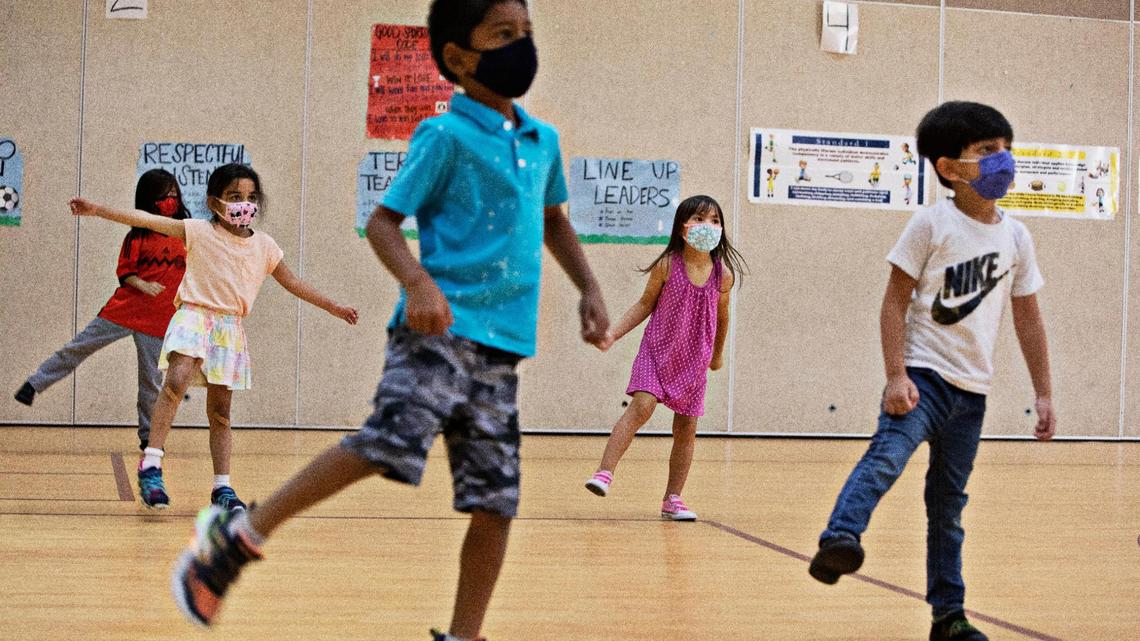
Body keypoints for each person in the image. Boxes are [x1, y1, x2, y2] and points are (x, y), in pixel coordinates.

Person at [167, 2, 609, 640]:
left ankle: (464, 635)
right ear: (458, 57)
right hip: (436, 330)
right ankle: (238, 537)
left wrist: (589, 287)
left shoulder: (543, 141)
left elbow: (554, 220)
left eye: (527, 34)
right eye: (504, 35)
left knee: (495, 502)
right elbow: (382, 223)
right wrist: (418, 281)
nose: (522, 47)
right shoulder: (445, 137)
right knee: (388, 440)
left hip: (503, 346)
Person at [807, 101, 1056, 641]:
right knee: (886, 459)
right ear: (949, 167)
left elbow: (1028, 318)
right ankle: (839, 539)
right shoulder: (931, 222)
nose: (1003, 161)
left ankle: (949, 617)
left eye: (1006, 150)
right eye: (987, 151)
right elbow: (894, 303)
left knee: (948, 509)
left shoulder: (1017, 238)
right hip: (923, 377)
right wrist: (896, 375)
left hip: (973, 393)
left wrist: (1045, 393)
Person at [69, 163, 358, 512]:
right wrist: (97, 210)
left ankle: (222, 487)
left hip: (229, 329)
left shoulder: (265, 247)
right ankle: (152, 463)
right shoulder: (197, 231)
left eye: (251, 197)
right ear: (214, 202)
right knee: (176, 380)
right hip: (194, 315)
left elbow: (294, 283)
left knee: (220, 413)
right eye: (235, 196)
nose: (244, 204)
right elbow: (146, 220)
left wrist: (335, 307)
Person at [584, 195, 744, 522]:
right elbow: (644, 305)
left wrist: (717, 355)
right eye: (700, 220)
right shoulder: (667, 265)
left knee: (686, 428)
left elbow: (723, 317)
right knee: (641, 406)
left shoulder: (722, 275)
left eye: (715, 221)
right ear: (683, 228)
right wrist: (613, 333)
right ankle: (604, 472)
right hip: (657, 350)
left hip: (693, 359)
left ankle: (673, 499)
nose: (708, 227)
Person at [15, 169, 188, 451]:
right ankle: (34, 384)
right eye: (162, 196)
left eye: (173, 195)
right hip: (124, 309)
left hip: (158, 320)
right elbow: (126, 272)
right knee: (79, 346)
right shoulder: (137, 236)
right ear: (149, 200)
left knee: (151, 384)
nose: (169, 201)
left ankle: (148, 437)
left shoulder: (186, 234)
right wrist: (142, 285)